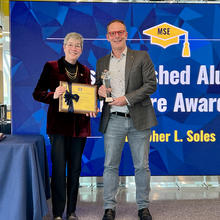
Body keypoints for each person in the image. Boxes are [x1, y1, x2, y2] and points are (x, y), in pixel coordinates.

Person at [96, 20, 158, 220]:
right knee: (110, 166)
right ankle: (109, 208)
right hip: (113, 119)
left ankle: (143, 207)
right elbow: (99, 89)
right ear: (107, 37)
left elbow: (151, 85)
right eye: (112, 33)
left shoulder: (141, 56)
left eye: (120, 32)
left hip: (138, 118)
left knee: (142, 166)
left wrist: (127, 99)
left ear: (126, 34)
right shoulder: (101, 62)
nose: (116, 36)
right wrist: (99, 91)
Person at [33, 32, 97, 220]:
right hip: (58, 128)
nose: (74, 48)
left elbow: (87, 98)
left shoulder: (85, 70)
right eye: (71, 44)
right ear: (64, 46)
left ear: (81, 49)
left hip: (80, 129)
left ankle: (71, 211)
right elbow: (37, 93)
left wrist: (90, 108)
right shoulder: (51, 67)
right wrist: (52, 95)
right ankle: (58, 213)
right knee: (59, 170)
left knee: (75, 170)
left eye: (78, 45)